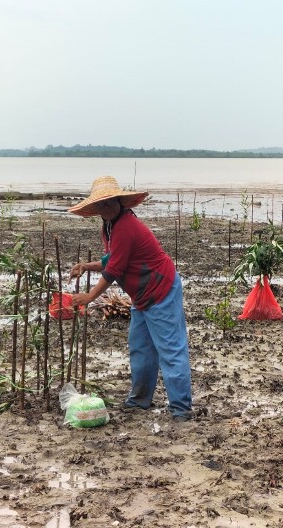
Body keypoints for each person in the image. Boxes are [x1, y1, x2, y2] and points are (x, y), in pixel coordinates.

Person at [68, 176, 193, 421]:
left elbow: (113, 271)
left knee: (171, 349)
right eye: (101, 205)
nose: (106, 208)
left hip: (161, 290)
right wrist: (87, 266)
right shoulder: (109, 226)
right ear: (96, 209)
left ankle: (181, 409)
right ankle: (139, 400)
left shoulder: (126, 226)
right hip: (142, 295)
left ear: (119, 202)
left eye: (110, 202)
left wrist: (89, 297)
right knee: (141, 347)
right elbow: (112, 260)